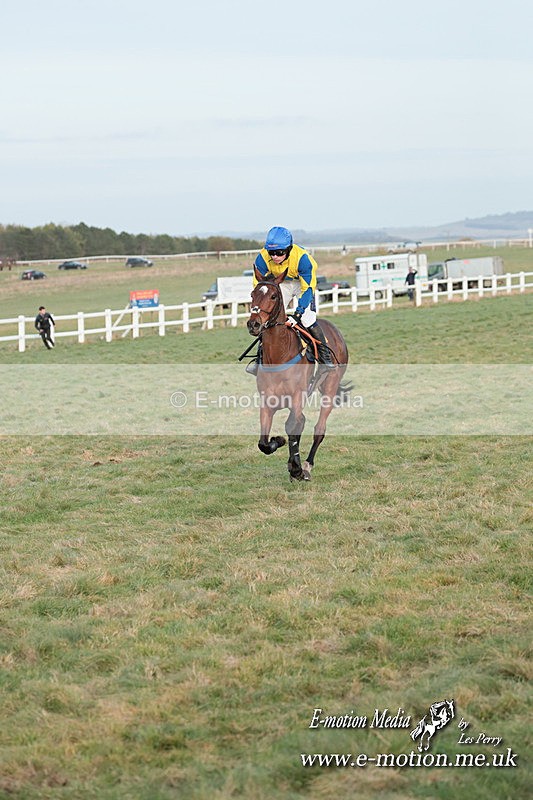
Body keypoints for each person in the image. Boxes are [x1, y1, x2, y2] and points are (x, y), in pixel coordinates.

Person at [247, 226, 335, 374]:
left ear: (288, 249)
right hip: (283, 283)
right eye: (271, 252)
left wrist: (298, 314)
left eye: (279, 252)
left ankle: (325, 357)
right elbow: (259, 288)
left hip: (302, 284)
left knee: (308, 319)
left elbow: (307, 289)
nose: (274, 256)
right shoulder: (262, 258)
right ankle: (259, 359)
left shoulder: (303, 259)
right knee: (266, 319)